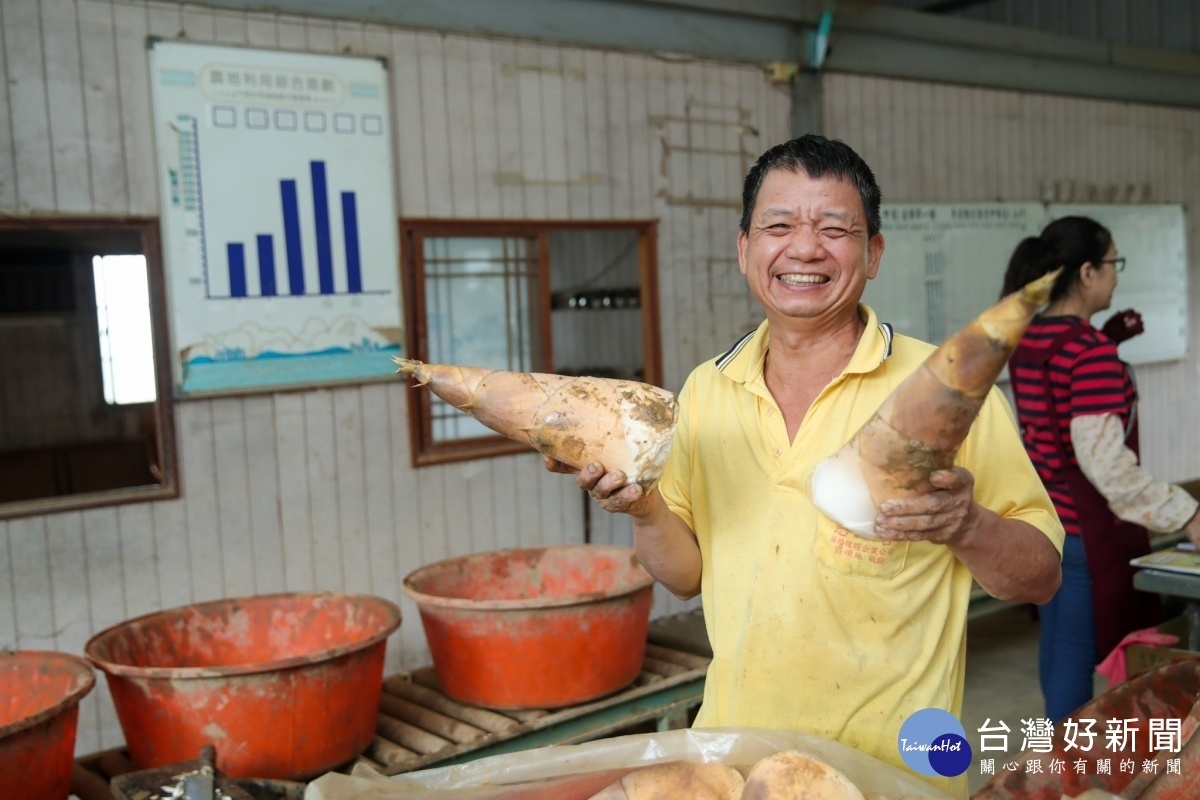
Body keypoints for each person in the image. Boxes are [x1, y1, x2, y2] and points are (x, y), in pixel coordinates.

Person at [545, 134, 1064, 797]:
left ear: (873, 253)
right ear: (744, 250)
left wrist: (965, 525)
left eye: (835, 229)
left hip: (891, 774)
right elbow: (684, 577)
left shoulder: (947, 393)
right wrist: (643, 508)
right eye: (779, 226)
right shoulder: (708, 389)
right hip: (735, 768)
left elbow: (1041, 578)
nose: (805, 248)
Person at [1001, 217, 1200, 724]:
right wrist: (1186, 512)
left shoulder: (1030, 338)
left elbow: (1056, 410)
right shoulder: (1087, 352)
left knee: (1056, 649)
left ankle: (1050, 764)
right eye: (1113, 264)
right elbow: (1106, 466)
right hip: (1084, 535)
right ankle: (1064, 774)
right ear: (1087, 273)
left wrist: (1106, 342)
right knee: (1075, 658)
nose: (1116, 276)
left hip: (1041, 523)